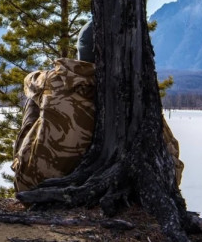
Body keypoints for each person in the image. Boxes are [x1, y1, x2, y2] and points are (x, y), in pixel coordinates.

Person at [11, 20, 183, 192]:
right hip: (119, 194)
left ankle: (28, 160)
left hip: (34, 185)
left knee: (35, 99)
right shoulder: (134, 94)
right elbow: (172, 152)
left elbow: (29, 81)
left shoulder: (54, 80)